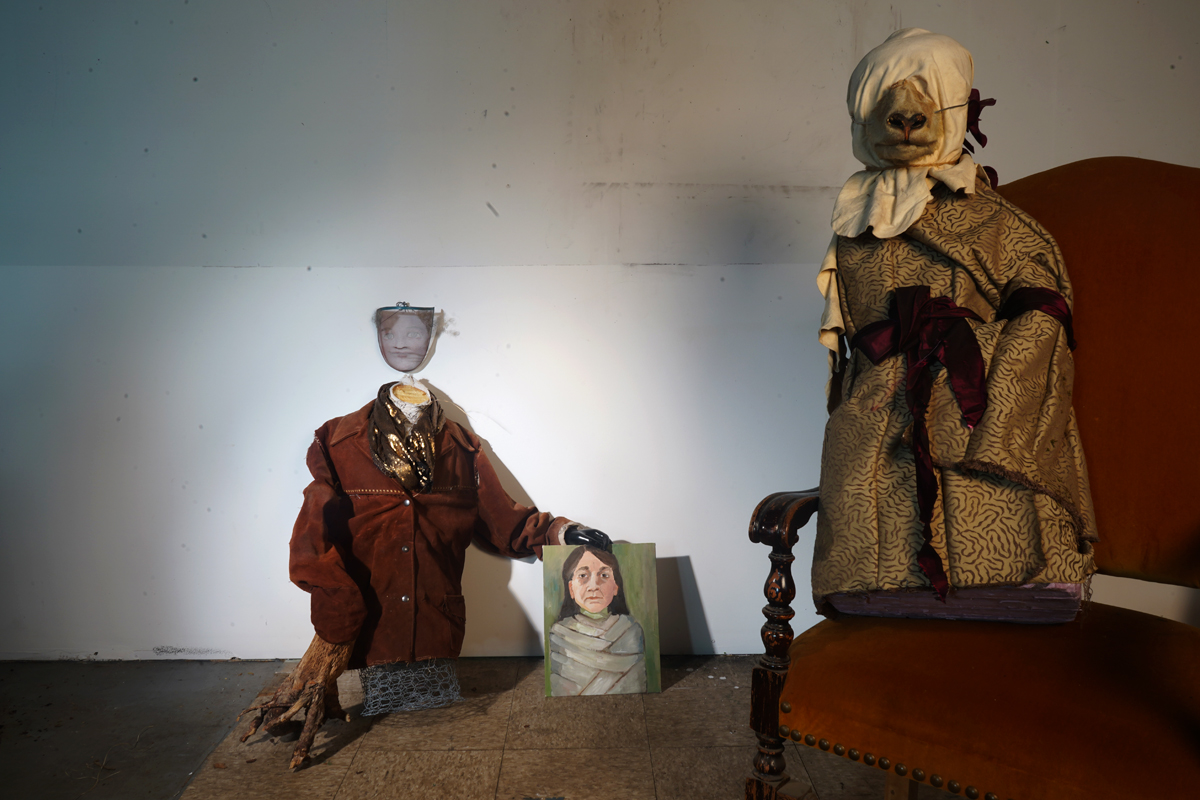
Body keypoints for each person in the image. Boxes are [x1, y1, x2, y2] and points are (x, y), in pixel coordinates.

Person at [240, 303, 609, 769]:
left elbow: (505, 522)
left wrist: (561, 531)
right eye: (393, 334)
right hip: (372, 629)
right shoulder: (338, 442)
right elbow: (310, 540)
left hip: (437, 626)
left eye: (416, 334)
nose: (403, 343)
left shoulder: (461, 447)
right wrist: (338, 606)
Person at [812, 30, 1096, 617]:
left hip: (966, 410)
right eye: (884, 96)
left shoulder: (996, 221)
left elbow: (1046, 314)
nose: (905, 113)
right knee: (870, 536)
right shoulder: (854, 223)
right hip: (873, 422)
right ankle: (878, 591)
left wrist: (982, 394)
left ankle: (1010, 589)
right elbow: (854, 351)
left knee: (998, 557)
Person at [548, 545, 646, 696]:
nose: (594, 586)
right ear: (571, 588)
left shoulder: (630, 630)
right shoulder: (560, 634)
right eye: (583, 576)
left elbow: (635, 685)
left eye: (604, 575)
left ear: (615, 586)